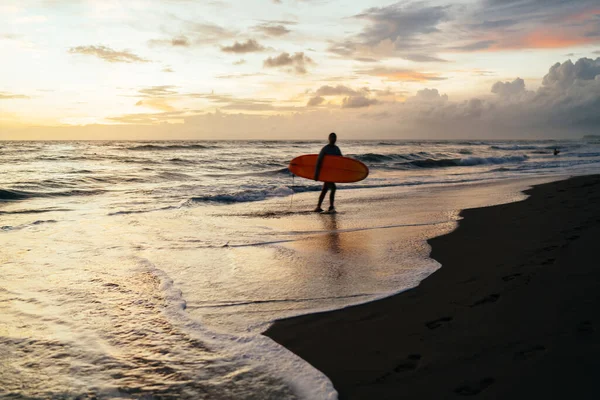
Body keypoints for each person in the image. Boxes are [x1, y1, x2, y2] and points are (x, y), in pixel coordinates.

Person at [314, 132, 342, 212]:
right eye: (332, 137)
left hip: (332, 174)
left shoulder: (337, 149)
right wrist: (316, 174)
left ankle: (318, 207)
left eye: (335, 137)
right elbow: (319, 161)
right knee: (333, 188)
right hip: (325, 173)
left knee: (325, 189)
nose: (333, 139)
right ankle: (331, 206)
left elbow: (341, 161)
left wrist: (340, 174)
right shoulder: (325, 149)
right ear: (329, 138)